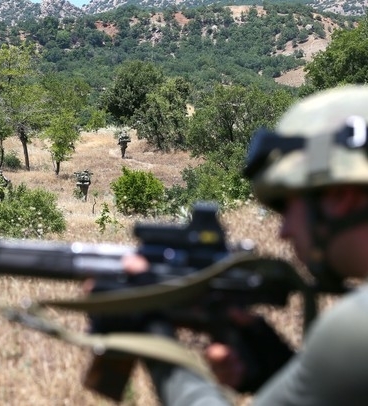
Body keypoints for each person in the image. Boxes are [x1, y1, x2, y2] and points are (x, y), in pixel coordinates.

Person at [125, 85, 368, 405]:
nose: (284, 231)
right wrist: (275, 368)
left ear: (338, 197)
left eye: (285, 206)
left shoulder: (356, 328)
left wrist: (156, 339)